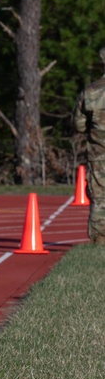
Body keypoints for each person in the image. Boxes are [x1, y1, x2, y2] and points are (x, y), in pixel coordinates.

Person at [73, 46, 105, 245]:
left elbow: (79, 124)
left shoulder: (91, 91)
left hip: (99, 153)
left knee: (100, 196)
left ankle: (100, 238)